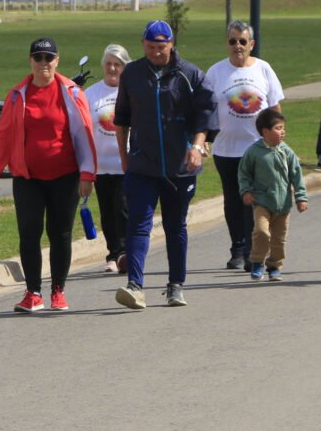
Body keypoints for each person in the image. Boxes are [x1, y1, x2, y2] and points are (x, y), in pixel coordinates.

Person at [0, 38, 97, 313]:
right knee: (29, 232)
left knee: (60, 233)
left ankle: (58, 290)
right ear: (31, 62)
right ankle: (32, 293)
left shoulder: (71, 92)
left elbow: (85, 135)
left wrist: (88, 174)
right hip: (27, 177)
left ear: (57, 61)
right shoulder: (17, 94)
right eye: (39, 58)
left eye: (49, 58)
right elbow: (4, 134)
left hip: (66, 175)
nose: (44, 63)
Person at [113, 20, 215, 310]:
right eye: (150, 47)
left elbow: (205, 116)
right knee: (138, 224)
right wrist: (124, 158)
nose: (156, 53)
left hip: (179, 167)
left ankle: (175, 285)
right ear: (142, 45)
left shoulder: (191, 75)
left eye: (161, 47)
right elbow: (122, 121)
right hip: (142, 166)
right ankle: (135, 286)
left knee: (175, 226)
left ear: (172, 45)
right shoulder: (132, 74)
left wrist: (196, 147)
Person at [204, 20, 284, 272]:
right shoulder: (215, 72)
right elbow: (205, 111)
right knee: (233, 200)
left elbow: (274, 109)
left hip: (257, 149)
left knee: (255, 200)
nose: (237, 46)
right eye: (232, 41)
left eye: (242, 41)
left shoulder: (263, 69)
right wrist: (204, 140)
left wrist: (278, 138)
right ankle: (237, 249)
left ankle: (254, 251)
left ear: (252, 44)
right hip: (226, 149)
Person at [238, 109, 308, 282]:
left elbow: (296, 176)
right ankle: (257, 262)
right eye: (278, 128)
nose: (282, 131)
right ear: (265, 131)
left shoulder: (287, 151)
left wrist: (301, 197)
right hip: (261, 201)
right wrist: (245, 191)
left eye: (283, 128)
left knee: (279, 239)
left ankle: (274, 265)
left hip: (283, 203)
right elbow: (244, 173)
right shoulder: (254, 152)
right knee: (261, 232)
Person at [84, 44, 132, 273]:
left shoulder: (131, 92)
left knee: (122, 207)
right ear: (103, 66)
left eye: (118, 64)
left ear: (124, 67)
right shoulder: (91, 94)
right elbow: (84, 130)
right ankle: (113, 254)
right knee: (106, 212)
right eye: (109, 64)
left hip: (126, 163)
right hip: (100, 165)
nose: (113, 68)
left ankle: (124, 252)